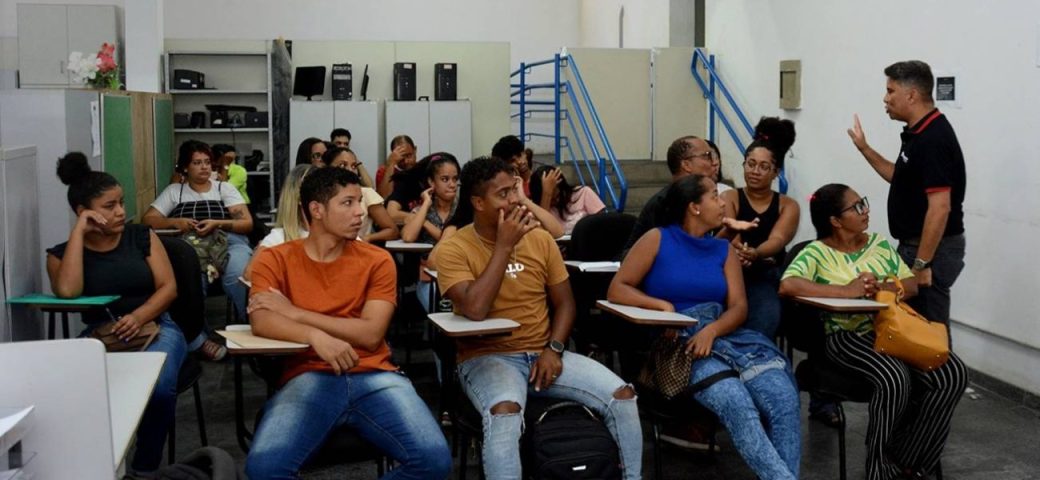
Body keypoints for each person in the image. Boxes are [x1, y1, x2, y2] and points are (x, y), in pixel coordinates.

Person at [433, 156, 642, 479]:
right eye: (502, 194)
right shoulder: (454, 248)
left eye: (514, 190)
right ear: (478, 202)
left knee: (623, 396)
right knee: (505, 413)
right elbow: (475, 308)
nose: (514, 201)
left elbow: (566, 304)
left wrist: (554, 349)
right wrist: (504, 247)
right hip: (487, 356)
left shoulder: (540, 239)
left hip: (543, 353)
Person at [244, 167, 451, 479]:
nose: (360, 212)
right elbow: (262, 320)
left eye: (360, 202)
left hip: (375, 374)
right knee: (264, 469)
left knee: (434, 462)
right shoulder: (275, 258)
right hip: (309, 375)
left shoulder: (377, 260)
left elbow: (370, 334)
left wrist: (296, 314)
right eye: (348, 203)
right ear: (316, 210)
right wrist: (316, 337)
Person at [609, 174, 800, 480]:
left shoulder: (724, 250)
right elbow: (618, 289)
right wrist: (661, 306)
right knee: (736, 402)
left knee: (784, 399)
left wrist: (712, 330)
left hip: (725, 336)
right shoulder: (657, 238)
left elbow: (739, 308)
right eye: (714, 196)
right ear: (694, 207)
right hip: (681, 345)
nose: (723, 203)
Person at [779, 183, 968, 480]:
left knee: (952, 373)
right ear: (835, 220)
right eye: (856, 207)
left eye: (863, 203)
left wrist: (882, 287)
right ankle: (879, 467)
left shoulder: (877, 244)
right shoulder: (816, 252)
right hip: (844, 336)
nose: (865, 210)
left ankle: (908, 460)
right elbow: (788, 285)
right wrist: (847, 291)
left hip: (889, 330)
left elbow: (912, 284)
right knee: (894, 377)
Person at [48, 152, 187, 476]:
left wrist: (138, 317)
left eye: (121, 203)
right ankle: (100, 464)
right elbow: (68, 291)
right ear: (83, 212)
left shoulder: (141, 236)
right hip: (101, 333)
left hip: (155, 326)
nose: (121, 211)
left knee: (159, 386)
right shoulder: (60, 255)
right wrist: (79, 234)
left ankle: (143, 468)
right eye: (109, 206)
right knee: (76, 389)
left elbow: (168, 288)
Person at [847, 60, 966, 329]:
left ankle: (941, 361)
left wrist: (922, 264)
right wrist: (864, 148)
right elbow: (899, 178)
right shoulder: (918, 133)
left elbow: (940, 208)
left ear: (911, 95)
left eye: (890, 91)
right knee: (913, 327)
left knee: (928, 330)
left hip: (931, 250)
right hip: (917, 247)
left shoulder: (933, 139)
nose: (885, 98)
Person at [143, 140, 253, 327]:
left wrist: (217, 223)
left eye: (207, 162)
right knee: (191, 277)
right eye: (197, 163)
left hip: (228, 242)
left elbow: (247, 223)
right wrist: (175, 222)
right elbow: (147, 220)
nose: (204, 167)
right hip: (191, 246)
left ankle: (249, 322)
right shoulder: (175, 192)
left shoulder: (224, 188)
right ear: (185, 167)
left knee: (237, 274)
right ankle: (198, 333)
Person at [719, 117, 800, 338]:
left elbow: (778, 239)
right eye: (750, 164)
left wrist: (755, 253)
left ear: (776, 172)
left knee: (765, 312)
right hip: (729, 270)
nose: (755, 171)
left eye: (764, 167)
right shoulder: (729, 196)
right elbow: (731, 231)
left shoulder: (788, 205)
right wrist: (741, 251)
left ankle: (755, 352)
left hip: (766, 272)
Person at [622, 135, 754, 257]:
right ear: (686, 165)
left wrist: (730, 234)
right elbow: (678, 256)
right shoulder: (665, 203)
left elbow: (702, 248)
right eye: (707, 156)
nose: (714, 162)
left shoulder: (704, 199)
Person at [400, 153, 460, 312]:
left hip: (459, 273)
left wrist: (425, 224)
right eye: (445, 179)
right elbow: (408, 237)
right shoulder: (423, 210)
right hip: (429, 277)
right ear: (432, 182)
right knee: (438, 309)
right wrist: (426, 204)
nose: (452, 184)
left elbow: (450, 239)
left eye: (455, 179)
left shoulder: (463, 209)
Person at [325, 147, 399, 242]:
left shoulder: (366, 193)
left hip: (357, 246)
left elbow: (392, 230)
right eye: (343, 165)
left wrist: (367, 238)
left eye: (354, 166)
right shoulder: (320, 194)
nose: (350, 170)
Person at [529, 165, 606, 235]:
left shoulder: (584, 193)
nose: (556, 201)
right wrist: (546, 195)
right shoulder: (539, 208)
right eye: (551, 199)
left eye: (558, 196)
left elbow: (603, 225)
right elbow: (541, 234)